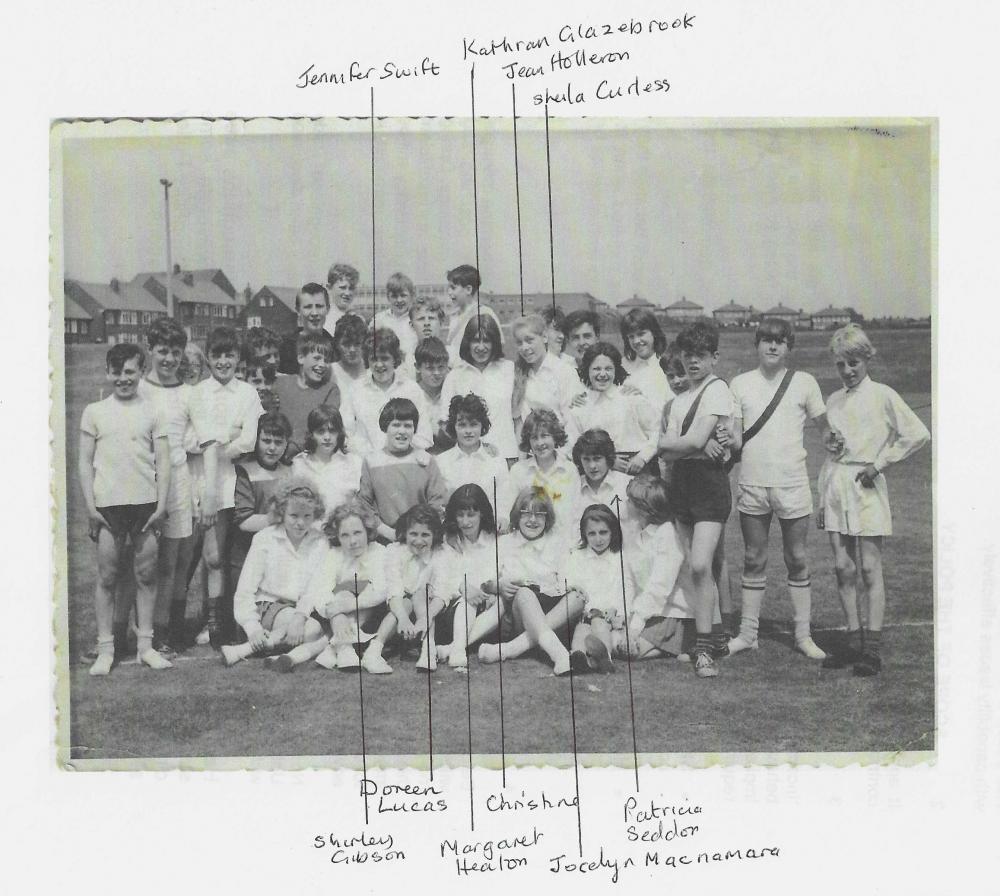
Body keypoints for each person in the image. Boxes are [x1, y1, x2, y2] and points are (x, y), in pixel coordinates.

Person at [817, 324, 930, 676]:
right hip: (836, 485)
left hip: (866, 487)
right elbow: (831, 451)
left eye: (853, 362)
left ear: (866, 358)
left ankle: (872, 649)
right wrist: (823, 495)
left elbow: (917, 434)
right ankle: (852, 641)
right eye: (841, 365)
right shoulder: (833, 400)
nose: (848, 371)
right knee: (842, 567)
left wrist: (878, 465)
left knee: (868, 567)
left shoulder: (883, 395)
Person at [727, 318, 831, 660]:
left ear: (789, 347)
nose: (773, 346)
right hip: (753, 484)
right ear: (757, 345)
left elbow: (826, 429)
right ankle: (748, 634)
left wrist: (837, 437)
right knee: (753, 557)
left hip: (792, 483)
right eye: (767, 340)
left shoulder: (804, 383)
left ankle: (803, 636)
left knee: (796, 557)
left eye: (780, 341)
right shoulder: (739, 384)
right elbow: (736, 439)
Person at [79, 343, 172, 675]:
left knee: (146, 575)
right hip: (108, 508)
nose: (123, 378)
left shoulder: (153, 410)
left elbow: (163, 461)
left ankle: (145, 647)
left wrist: (161, 506)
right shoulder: (94, 411)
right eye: (116, 372)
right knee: (107, 576)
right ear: (108, 372)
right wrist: (91, 508)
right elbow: (84, 463)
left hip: (145, 506)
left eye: (130, 371)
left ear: (141, 372)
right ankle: (107, 649)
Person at [656, 318, 735, 678]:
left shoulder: (717, 390)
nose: (692, 363)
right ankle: (716, 637)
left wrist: (684, 445)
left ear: (714, 357)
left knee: (702, 564)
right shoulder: (677, 402)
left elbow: (686, 442)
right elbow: (672, 449)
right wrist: (687, 446)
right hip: (683, 484)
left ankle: (704, 651)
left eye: (700, 356)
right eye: (688, 356)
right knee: (695, 566)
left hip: (709, 485)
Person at [189, 326, 265, 646]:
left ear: (237, 358)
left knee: (220, 556)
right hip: (197, 480)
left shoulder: (247, 393)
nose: (223, 362)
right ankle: (190, 623)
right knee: (196, 558)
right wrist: (225, 436)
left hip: (231, 482)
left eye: (229, 355)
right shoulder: (197, 393)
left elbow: (249, 439)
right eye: (217, 355)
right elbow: (189, 440)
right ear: (208, 358)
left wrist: (218, 444)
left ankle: (219, 622)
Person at [138, 318, 199, 654]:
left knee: (174, 562)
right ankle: (140, 630)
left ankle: (168, 630)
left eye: (175, 352)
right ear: (150, 349)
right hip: (143, 481)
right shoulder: (138, 388)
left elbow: (197, 439)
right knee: (144, 561)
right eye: (163, 351)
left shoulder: (188, 393)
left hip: (177, 482)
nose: (169, 358)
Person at [221, 479, 329, 667]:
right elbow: (245, 590)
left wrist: (298, 617)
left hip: (300, 610)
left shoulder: (320, 541)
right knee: (313, 629)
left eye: (307, 516)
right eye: (294, 515)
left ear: (315, 515)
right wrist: (252, 628)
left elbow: (314, 588)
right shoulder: (264, 538)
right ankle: (257, 643)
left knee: (323, 631)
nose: (300, 523)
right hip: (266, 607)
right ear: (282, 513)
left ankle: (250, 650)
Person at [476, 488, 584, 676]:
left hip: (552, 611)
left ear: (547, 519)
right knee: (525, 592)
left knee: (578, 597)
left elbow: (569, 578)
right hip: (519, 613)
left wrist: (571, 585)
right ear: (517, 517)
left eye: (539, 515)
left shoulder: (557, 543)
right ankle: (559, 655)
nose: (532, 520)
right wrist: (499, 585)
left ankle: (510, 649)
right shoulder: (505, 543)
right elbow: (485, 581)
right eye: (526, 513)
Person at [623, 475, 703, 662]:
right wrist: (628, 614)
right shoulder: (635, 531)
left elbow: (659, 587)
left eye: (630, 501)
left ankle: (679, 644)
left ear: (644, 510)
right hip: (648, 611)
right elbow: (630, 580)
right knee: (619, 643)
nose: (626, 503)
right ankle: (670, 648)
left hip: (672, 614)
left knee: (628, 650)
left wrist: (635, 626)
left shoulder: (667, 534)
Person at [364, 504, 447, 673]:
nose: (418, 540)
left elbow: (442, 593)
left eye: (425, 535)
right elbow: (393, 592)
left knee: (421, 593)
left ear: (435, 535)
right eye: (413, 534)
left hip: (431, 614)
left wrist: (425, 618)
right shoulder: (394, 551)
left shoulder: (441, 554)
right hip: (397, 612)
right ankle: (373, 651)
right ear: (405, 533)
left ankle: (428, 650)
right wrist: (403, 618)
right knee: (408, 601)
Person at [307, 500, 388, 671]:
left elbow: (381, 590)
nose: (352, 541)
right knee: (341, 593)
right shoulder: (334, 555)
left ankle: (335, 646)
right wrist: (337, 614)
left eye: (357, 533)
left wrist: (347, 606)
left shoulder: (379, 552)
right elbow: (320, 591)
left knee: (360, 593)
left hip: (373, 617)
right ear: (337, 536)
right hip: (339, 618)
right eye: (345, 535)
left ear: (368, 531)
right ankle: (345, 650)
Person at [357, 397, 447, 542]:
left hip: (420, 539)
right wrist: (387, 532)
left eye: (407, 426)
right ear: (386, 427)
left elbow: (437, 502)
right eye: (396, 425)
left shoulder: (426, 460)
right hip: (384, 539)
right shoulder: (371, 461)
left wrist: (418, 534)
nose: (402, 431)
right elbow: (364, 504)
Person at [564, 341, 659, 474]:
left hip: (637, 468)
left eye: (608, 368)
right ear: (587, 370)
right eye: (596, 369)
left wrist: (642, 458)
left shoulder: (632, 398)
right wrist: (608, 461)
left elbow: (657, 432)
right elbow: (571, 447)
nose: (602, 374)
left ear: (616, 370)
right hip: (597, 472)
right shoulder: (579, 407)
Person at [432, 485, 499, 669]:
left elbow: (498, 570)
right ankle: (459, 649)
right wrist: (463, 587)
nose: (465, 521)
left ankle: (452, 648)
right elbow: (442, 576)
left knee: (502, 603)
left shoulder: (493, 539)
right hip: (455, 609)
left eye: (471, 515)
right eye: (460, 515)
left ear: (482, 514)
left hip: (486, 609)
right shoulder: (448, 540)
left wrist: (492, 589)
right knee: (468, 600)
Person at [230, 412, 294, 599]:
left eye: (278, 442)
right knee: (246, 604)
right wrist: (277, 518)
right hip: (246, 553)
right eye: (266, 441)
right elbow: (244, 521)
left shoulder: (289, 471)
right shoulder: (246, 470)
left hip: (279, 552)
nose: (272, 448)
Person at [340, 328, 432, 455]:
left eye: (384, 358)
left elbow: (424, 436)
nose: (378, 365)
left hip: (405, 461)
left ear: (395, 359)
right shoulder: (355, 389)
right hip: (365, 461)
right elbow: (345, 432)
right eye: (373, 359)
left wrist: (398, 452)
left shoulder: (412, 389)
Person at [439, 315, 518, 460]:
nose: (481, 347)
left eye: (487, 340)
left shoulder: (510, 369)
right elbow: (445, 423)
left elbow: (518, 418)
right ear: (467, 342)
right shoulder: (455, 376)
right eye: (476, 340)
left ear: (494, 342)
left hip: (507, 455)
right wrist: (472, 445)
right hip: (470, 459)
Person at [566, 503, 633, 673]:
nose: (598, 539)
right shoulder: (577, 556)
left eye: (603, 532)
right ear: (585, 535)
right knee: (582, 630)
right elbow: (573, 585)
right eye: (592, 533)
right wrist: (584, 608)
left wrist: (617, 610)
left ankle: (605, 658)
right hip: (584, 613)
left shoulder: (619, 558)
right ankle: (579, 656)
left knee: (599, 624)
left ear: (612, 532)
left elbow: (626, 589)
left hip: (607, 616)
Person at [508, 408, 579, 542]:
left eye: (545, 436)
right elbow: (512, 515)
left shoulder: (569, 470)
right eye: (534, 437)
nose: (540, 443)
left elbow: (576, 515)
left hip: (562, 546)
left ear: (555, 436)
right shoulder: (518, 471)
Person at [435, 393, 512, 517]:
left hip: (489, 527)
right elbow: (439, 503)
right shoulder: (441, 462)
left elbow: (504, 498)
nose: (468, 431)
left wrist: (502, 518)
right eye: (462, 425)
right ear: (453, 427)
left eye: (473, 424)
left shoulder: (496, 460)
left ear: (482, 426)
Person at [510, 314, 582, 435]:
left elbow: (572, 423)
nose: (524, 347)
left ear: (544, 337)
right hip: (529, 448)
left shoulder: (564, 371)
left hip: (560, 448)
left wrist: (563, 453)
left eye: (529, 340)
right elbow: (518, 421)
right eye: (519, 343)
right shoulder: (517, 373)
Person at [271, 331, 340, 456]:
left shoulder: (330, 390)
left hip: (308, 455)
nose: (322, 365)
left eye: (327, 360)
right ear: (301, 358)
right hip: (276, 452)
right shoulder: (280, 383)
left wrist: (292, 448)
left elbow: (323, 427)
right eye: (317, 358)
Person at [290, 405, 363, 514]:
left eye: (332, 431)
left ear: (339, 433)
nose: (327, 437)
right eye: (321, 431)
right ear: (311, 434)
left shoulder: (354, 463)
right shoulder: (299, 464)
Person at [568, 428, 633, 535]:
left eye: (597, 458)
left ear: (608, 458)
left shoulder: (627, 484)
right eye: (586, 459)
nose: (592, 466)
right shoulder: (573, 487)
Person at [445, 264, 502, 361]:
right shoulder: (453, 316)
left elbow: (499, 344)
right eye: (449, 288)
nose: (449, 292)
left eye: (453, 288)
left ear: (468, 289)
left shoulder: (485, 312)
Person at [277, 282, 336, 375]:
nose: (314, 313)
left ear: (327, 309)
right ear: (298, 310)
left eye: (319, 306)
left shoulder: (335, 347)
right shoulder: (284, 347)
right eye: (308, 307)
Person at [620, 308, 671, 410]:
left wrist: (641, 399)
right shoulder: (623, 364)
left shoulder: (667, 366)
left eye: (641, 334)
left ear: (654, 333)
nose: (636, 341)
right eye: (631, 336)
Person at [412, 337, 451, 452]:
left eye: (441, 367)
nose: (436, 373)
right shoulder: (412, 393)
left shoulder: (451, 391)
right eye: (430, 368)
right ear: (418, 367)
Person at [372, 272, 418, 362]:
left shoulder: (417, 319)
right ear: (388, 297)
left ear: (411, 296)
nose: (399, 300)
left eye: (403, 295)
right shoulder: (379, 319)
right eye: (394, 296)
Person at [329, 313, 369, 400]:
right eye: (346, 344)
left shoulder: (372, 371)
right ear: (337, 344)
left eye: (357, 343)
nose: (352, 350)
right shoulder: (330, 372)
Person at [324, 262, 362, 336]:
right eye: (342, 288)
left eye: (351, 288)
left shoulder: (359, 320)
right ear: (329, 288)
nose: (347, 293)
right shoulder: (323, 320)